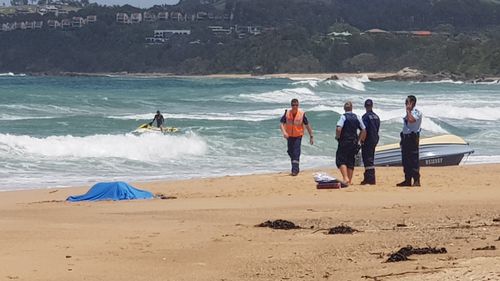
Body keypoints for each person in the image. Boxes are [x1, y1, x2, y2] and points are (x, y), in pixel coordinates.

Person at [280, 98, 314, 176]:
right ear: (291, 105)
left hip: (298, 136)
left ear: (298, 105)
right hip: (289, 136)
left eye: (296, 105)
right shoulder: (287, 113)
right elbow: (281, 124)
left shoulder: (302, 114)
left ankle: (295, 170)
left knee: (296, 152)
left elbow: (307, 125)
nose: (295, 106)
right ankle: (295, 166)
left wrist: (311, 136)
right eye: (293, 105)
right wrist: (284, 132)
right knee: (290, 152)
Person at [335, 101, 366, 185]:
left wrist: (337, 137)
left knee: (341, 159)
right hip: (354, 142)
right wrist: (359, 140)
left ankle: (345, 178)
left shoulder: (343, 117)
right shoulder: (357, 117)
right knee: (350, 160)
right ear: (352, 108)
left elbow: (338, 128)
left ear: (344, 108)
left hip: (345, 141)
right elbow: (363, 129)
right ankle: (350, 180)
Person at [397, 95, 423, 187]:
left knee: (413, 160)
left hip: (412, 138)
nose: (405, 104)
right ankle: (407, 180)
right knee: (406, 160)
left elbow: (411, 120)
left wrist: (408, 111)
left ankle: (416, 180)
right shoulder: (408, 113)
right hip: (406, 138)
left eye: (407, 102)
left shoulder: (417, 112)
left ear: (412, 103)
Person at [360, 99, 380, 185]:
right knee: (371, 157)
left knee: (367, 159)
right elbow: (377, 129)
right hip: (374, 139)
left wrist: (361, 140)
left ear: (365, 106)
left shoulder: (365, 117)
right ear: (372, 106)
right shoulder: (376, 116)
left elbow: (364, 130)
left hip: (368, 139)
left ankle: (370, 178)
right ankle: (369, 177)